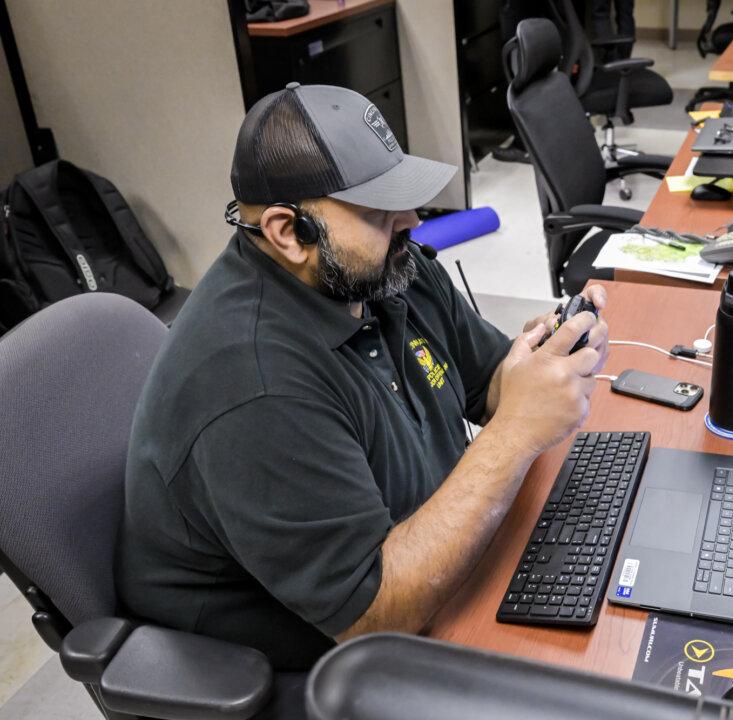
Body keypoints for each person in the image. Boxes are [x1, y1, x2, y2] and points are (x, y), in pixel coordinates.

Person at [116, 83, 610, 671]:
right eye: (379, 210)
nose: (412, 220)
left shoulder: (384, 270)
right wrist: (517, 433)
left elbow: (488, 383)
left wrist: (543, 360)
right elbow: (374, 617)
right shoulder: (254, 384)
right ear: (286, 231)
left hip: (428, 565)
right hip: (308, 664)